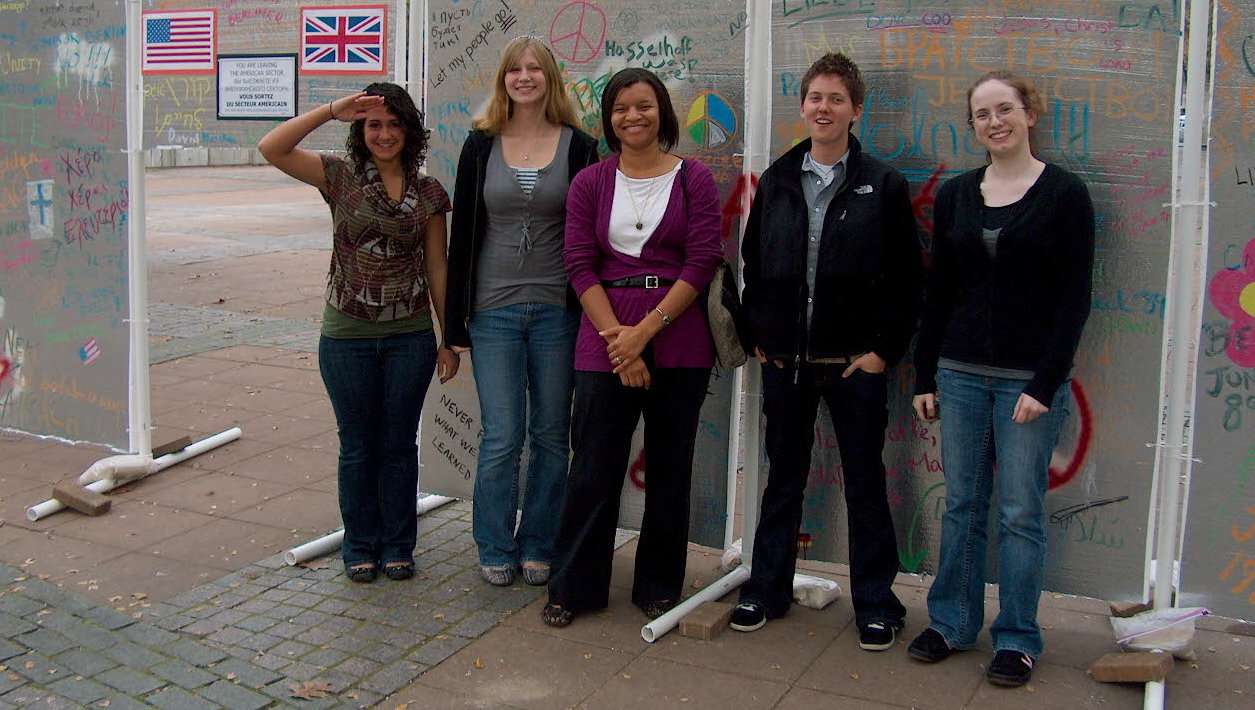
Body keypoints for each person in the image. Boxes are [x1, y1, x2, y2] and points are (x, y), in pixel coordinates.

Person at [907, 70, 1094, 687]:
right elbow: (938, 293)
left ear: (1029, 113)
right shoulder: (958, 195)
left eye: (1005, 109)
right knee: (962, 504)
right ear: (974, 126)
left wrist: (1044, 383)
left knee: (1019, 511)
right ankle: (953, 622)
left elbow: (1074, 300)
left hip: (1025, 382)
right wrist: (924, 373)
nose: (995, 122)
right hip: (959, 374)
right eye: (982, 114)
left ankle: (1016, 636)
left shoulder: (1065, 195)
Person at [731, 52, 922, 651]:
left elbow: (907, 280)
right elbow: (754, 262)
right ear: (804, 104)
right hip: (788, 362)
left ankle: (876, 602)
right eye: (815, 97)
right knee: (783, 479)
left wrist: (883, 353)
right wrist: (761, 336)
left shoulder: (883, 184)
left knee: (864, 482)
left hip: (853, 365)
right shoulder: (779, 179)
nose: (824, 108)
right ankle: (766, 588)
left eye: (836, 99)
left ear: (855, 110)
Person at [541, 68, 723, 627]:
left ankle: (659, 585)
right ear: (609, 118)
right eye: (620, 108)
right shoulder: (590, 182)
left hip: (679, 334)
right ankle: (575, 586)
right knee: (593, 466)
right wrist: (619, 342)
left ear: (662, 112)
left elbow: (703, 259)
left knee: (670, 467)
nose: (632, 117)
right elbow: (578, 263)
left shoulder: (695, 179)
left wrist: (643, 334)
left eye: (643, 106)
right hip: (604, 332)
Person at [258, 83, 459, 584]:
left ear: (410, 131)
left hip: (409, 337)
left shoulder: (429, 192)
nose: (384, 134)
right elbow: (271, 148)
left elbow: (437, 264)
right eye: (373, 124)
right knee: (357, 445)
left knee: (397, 445)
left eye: (394, 124)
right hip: (345, 337)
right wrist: (331, 109)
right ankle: (360, 545)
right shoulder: (339, 178)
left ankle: (398, 545)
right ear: (360, 130)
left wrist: (449, 337)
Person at [445, 37, 599, 588]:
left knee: (553, 434)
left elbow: (593, 234)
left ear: (551, 78)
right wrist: (453, 324)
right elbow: (462, 234)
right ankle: (494, 542)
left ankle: (538, 541)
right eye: (515, 69)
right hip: (493, 311)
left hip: (559, 310)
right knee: (503, 435)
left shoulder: (580, 147)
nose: (525, 77)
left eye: (535, 68)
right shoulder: (480, 144)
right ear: (503, 79)